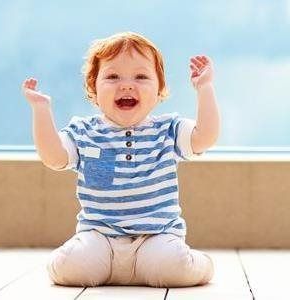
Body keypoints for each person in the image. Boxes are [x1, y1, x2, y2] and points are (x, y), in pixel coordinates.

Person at [22, 32, 220, 288]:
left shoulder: (168, 129)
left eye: (141, 76)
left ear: (159, 89)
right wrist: (41, 111)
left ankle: (200, 263)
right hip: (99, 238)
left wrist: (205, 89)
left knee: (175, 269)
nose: (126, 85)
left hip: (155, 237)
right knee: (71, 268)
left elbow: (205, 137)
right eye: (113, 77)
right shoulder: (84, 132)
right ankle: (84, 263)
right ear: (93, 87)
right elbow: (53, 157)